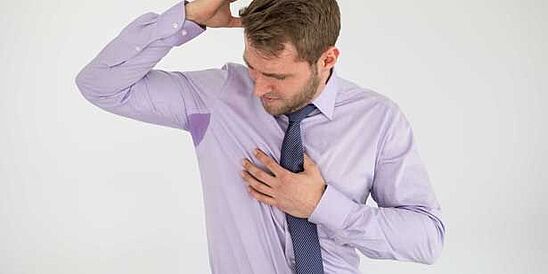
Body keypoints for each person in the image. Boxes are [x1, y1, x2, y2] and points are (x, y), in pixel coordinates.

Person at [75, 0, 446, 273]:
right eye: (253, 68)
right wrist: (185, 18)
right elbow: (101, 86)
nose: (258, 89)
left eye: (278, 77)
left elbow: (426, 239)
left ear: (327, 58)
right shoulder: (217, 97)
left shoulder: (377, 119)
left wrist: (320, 205)